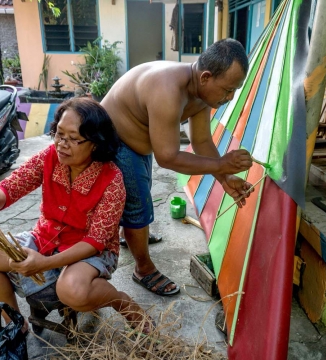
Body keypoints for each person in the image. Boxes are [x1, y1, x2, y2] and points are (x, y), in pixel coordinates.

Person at [0, 97, 153, 333]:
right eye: (59, 134)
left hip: (90, 250)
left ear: (95, 143)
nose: (63, 144)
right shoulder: (50, 156)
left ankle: (119, 300)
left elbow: (96, 241)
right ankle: (14, 323)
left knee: (72, 290)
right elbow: (13, 185)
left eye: (74, 139)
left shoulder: (112, 180)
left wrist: (45, 263)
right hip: (44, 238)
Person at [101, 38, 253, 296]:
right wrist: (221, 164)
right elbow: (168, 157)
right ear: (206, 76)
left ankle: (132, 235)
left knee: (140, 192)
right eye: (228, 90)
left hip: (138, 143)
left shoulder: (201, 91)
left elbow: (201, 141)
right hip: (111, 141)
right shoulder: (168, 89)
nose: (230, 97)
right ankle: (143, 269)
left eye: (235, 91)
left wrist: (225, 178)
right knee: (137, 204)